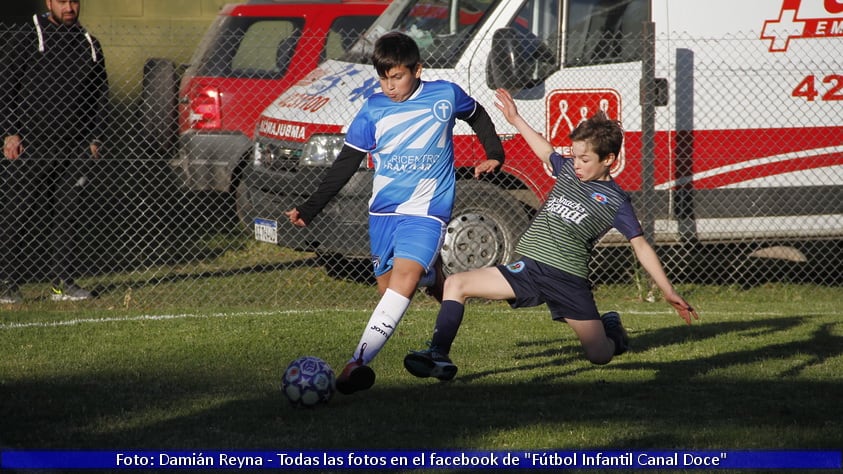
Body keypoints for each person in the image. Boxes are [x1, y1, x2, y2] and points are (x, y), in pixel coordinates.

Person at [403, 88, 699, 381]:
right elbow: (545, 151)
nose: (577, 164)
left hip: (568, 280)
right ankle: (437, 355)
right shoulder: (570, 170)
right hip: (530, 269)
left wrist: (668, 290)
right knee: (456, 283)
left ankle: (612, 332)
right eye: (575, 156)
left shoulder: (615, 200)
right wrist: (515, 119)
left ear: (608, 159)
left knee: (599, 355)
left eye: (585, 159)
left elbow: (641, 246)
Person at [284, 31, 504, 394]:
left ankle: (356, 364)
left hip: (428, 210)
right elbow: (346, 163)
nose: (390, 86)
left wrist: (494, 153)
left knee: (402, 281)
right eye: (383, 78)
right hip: (384, 214)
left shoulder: (444, 95)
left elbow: (478, 115)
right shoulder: (372, 109)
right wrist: (311, 208)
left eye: (397, 77)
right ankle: (437, 282)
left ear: (417, 70)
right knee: (389, 289)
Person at [0, 0, 109, 304]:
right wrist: (10, 132)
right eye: (62, 2)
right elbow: (6, 86)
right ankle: (5, 283)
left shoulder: (89, 44)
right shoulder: (28, 37)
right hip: (32, 145)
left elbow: (99, 95)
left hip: (73, 149)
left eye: (74, 1)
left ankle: (63, 284)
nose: (69, 7)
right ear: (49, 3)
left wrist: (95, 139)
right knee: (19, 211)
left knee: (67, 214)